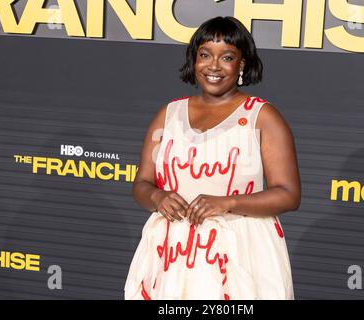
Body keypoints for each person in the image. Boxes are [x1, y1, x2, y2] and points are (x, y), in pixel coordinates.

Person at [124, 16, 301, 300]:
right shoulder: (169, 114)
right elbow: (142, 184)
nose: (214, 66)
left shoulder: (262, 117)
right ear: (194, 60)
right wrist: (158, 198)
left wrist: (227, 202)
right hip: (172, 250)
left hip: (240, 253)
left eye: (227, 57)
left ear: (242, 64)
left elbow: (289, 195)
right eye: (205, 55)